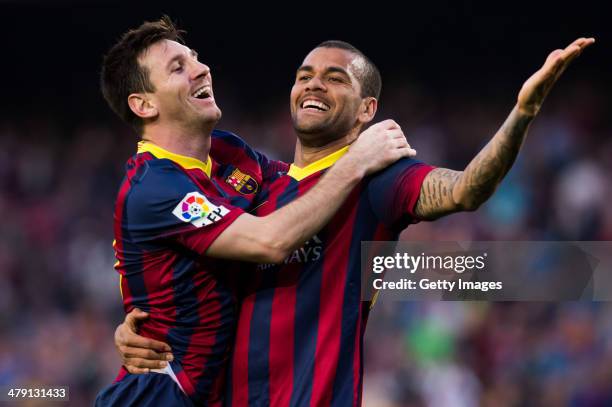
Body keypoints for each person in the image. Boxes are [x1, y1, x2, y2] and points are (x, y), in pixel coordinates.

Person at [114, 35, 595, 406]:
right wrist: (142, 326)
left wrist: (522, 113)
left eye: (336, 78)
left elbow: (467, 188)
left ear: (368, 110)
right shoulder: (259, 186)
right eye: (304, 75)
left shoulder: (376, 183)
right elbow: (195, 260)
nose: (314, 83)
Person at [95, 17, 415, 407]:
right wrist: (357, 160)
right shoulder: (153, 188)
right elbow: (271, 241)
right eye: (178, 67)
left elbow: (304, 186)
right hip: (159, 392)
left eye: (194, 57)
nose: (202, 68)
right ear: (143, 104)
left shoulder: (230, 154)